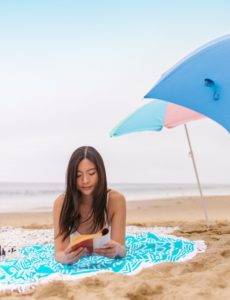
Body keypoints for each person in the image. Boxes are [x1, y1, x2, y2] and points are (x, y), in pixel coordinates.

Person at [53, 146, 126, 264]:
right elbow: (59, 253)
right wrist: (65, 258)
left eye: (91, 173)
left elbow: (122, 249)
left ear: (100, 173)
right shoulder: (61, 203)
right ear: (72, 177)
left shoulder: (115, 200)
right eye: (78, 175)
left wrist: (117, 250)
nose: (85, 180)